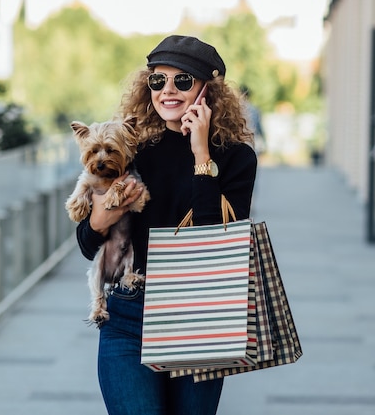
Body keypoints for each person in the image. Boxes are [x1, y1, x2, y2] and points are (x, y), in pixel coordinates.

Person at [75, 35, 257, 415]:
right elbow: (88, 243)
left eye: (183, 81)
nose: (168, 91)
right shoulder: (133, 149)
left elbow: (215, 241)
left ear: (209, 90)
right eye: (158, 80)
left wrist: (201, 153)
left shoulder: (237, 158)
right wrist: (100, 218)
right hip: (127, 316)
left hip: (198, 318)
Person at [240, 84, 267, 154]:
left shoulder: (236, 109)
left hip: (240, 141)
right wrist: (264, 140)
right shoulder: (254, 109)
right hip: (252, 141)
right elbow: (259, 126)